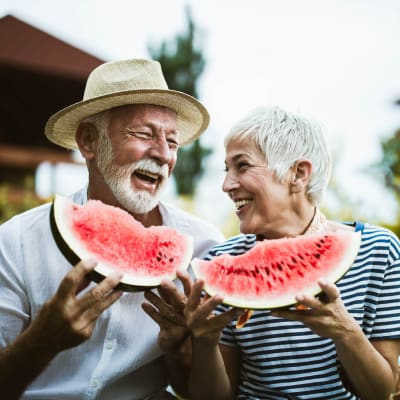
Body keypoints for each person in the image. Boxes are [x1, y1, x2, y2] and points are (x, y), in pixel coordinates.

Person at [0, 58, 225, 400]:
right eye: (144, 134)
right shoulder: (17, 242)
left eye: (173, 141)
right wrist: (40, 343)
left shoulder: (204, 247)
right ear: (89, 141)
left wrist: (180, 351)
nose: (164, 154)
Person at [144, 106, 400, 400]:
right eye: (227, 169)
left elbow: (383, 392)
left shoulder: (378, 251)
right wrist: (204, 340)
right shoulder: (221, 262)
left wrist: (345, 331)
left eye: (242, 166)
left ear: (299, 174)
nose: (227, 185)